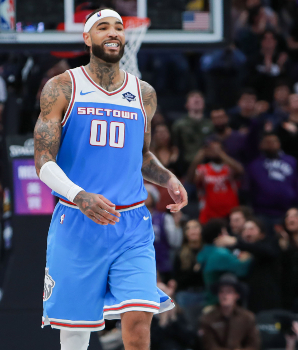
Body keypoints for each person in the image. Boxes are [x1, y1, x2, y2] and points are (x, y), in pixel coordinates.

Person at [32, 9, 187, 350]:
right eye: (103, 27)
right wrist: (79, 195)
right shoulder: (61, 87)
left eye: (118, 27)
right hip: (77, 220)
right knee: (75, 331)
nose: (113, 32)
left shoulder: (143, 93)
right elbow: (43, 161)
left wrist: (167, 178)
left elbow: (142, 156)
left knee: (139, 317)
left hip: (130, 223)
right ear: (86, 38)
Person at [199, 275, 260, 350]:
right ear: (218, 295)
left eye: (229, 292)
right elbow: (209, 346)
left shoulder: (247, 317)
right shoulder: (208, 318)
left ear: (236, 295)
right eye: (221, 291)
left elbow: (254, 345)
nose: (225, 295)